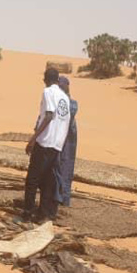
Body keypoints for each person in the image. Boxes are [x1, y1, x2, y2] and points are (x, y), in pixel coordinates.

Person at [22, 68, 71, 222]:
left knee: (32, 180)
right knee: (47, 181)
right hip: (57, 145)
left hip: (45, 142)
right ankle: (42, 214)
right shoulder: (65, 98)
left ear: (45, 79)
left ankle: (27, 214)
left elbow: (49, 115)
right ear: (57, 79)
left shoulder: (48, 92)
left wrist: (33, 139)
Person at [54, 76, 79, 206]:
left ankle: (63, 198)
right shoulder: (60, 101)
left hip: (67, 141)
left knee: (65, 167)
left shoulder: (71, 104)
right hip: (59, 138)